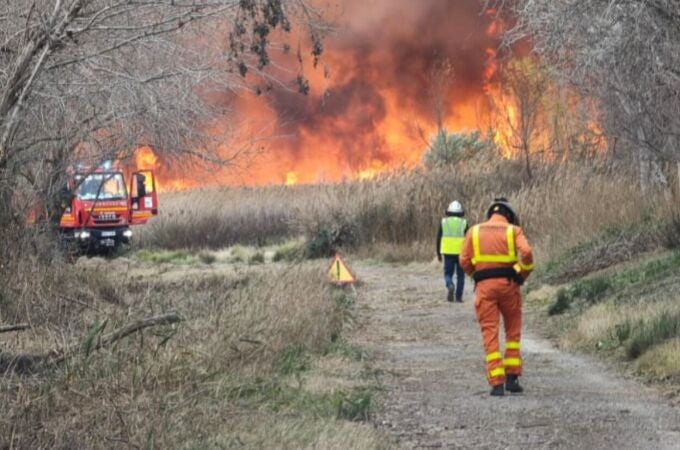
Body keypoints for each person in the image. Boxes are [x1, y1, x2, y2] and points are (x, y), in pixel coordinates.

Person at [460, 198, 534, 396]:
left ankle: (497, 384)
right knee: (512, 332)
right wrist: (521, 273)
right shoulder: (513, 230)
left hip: (485, 288)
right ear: (509, 215)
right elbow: (526, 252)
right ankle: (512, 378)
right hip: (509, 287)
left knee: (490, 333)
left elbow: (464, 260)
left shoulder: (474, 231)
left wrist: (477, 274)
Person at [436, 200, 468, 303]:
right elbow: (469, 239)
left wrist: (438, 253)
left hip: (447, 252)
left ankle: (450, 285)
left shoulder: (444, 222)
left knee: (448, 273)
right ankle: (458, 297)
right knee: (461, 275)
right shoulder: (464, 222)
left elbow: (438, 238)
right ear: (460, 213)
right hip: (461, 252)